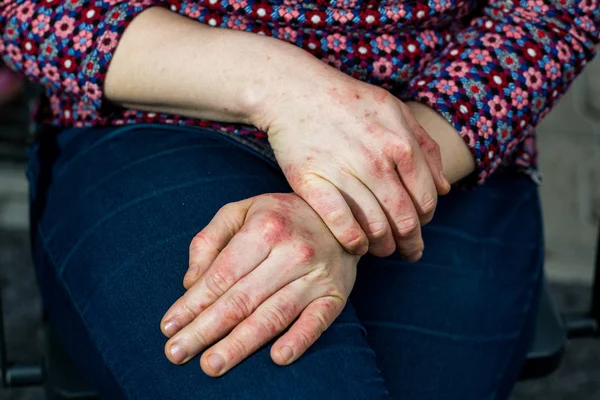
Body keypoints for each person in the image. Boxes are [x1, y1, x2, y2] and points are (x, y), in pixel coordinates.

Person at [1, 1, 598, 399]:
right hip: (158, 109)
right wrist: (279, 86)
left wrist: (348, 199)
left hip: (441, 126)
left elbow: (551, 14)